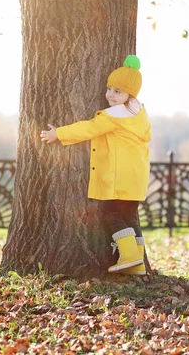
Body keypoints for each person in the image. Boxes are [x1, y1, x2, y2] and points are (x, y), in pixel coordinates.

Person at [40, 55, 151, 275]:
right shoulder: (139, 115)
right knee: (129, 215)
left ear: (131, 94)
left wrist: (58, 133)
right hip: (136, 177)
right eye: (110, 88)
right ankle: (137, 264)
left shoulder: (115, 115)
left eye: (118, 91)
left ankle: (129, 256)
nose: (111, 94)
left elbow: (88, 128)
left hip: (118, 177)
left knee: (110, 212)